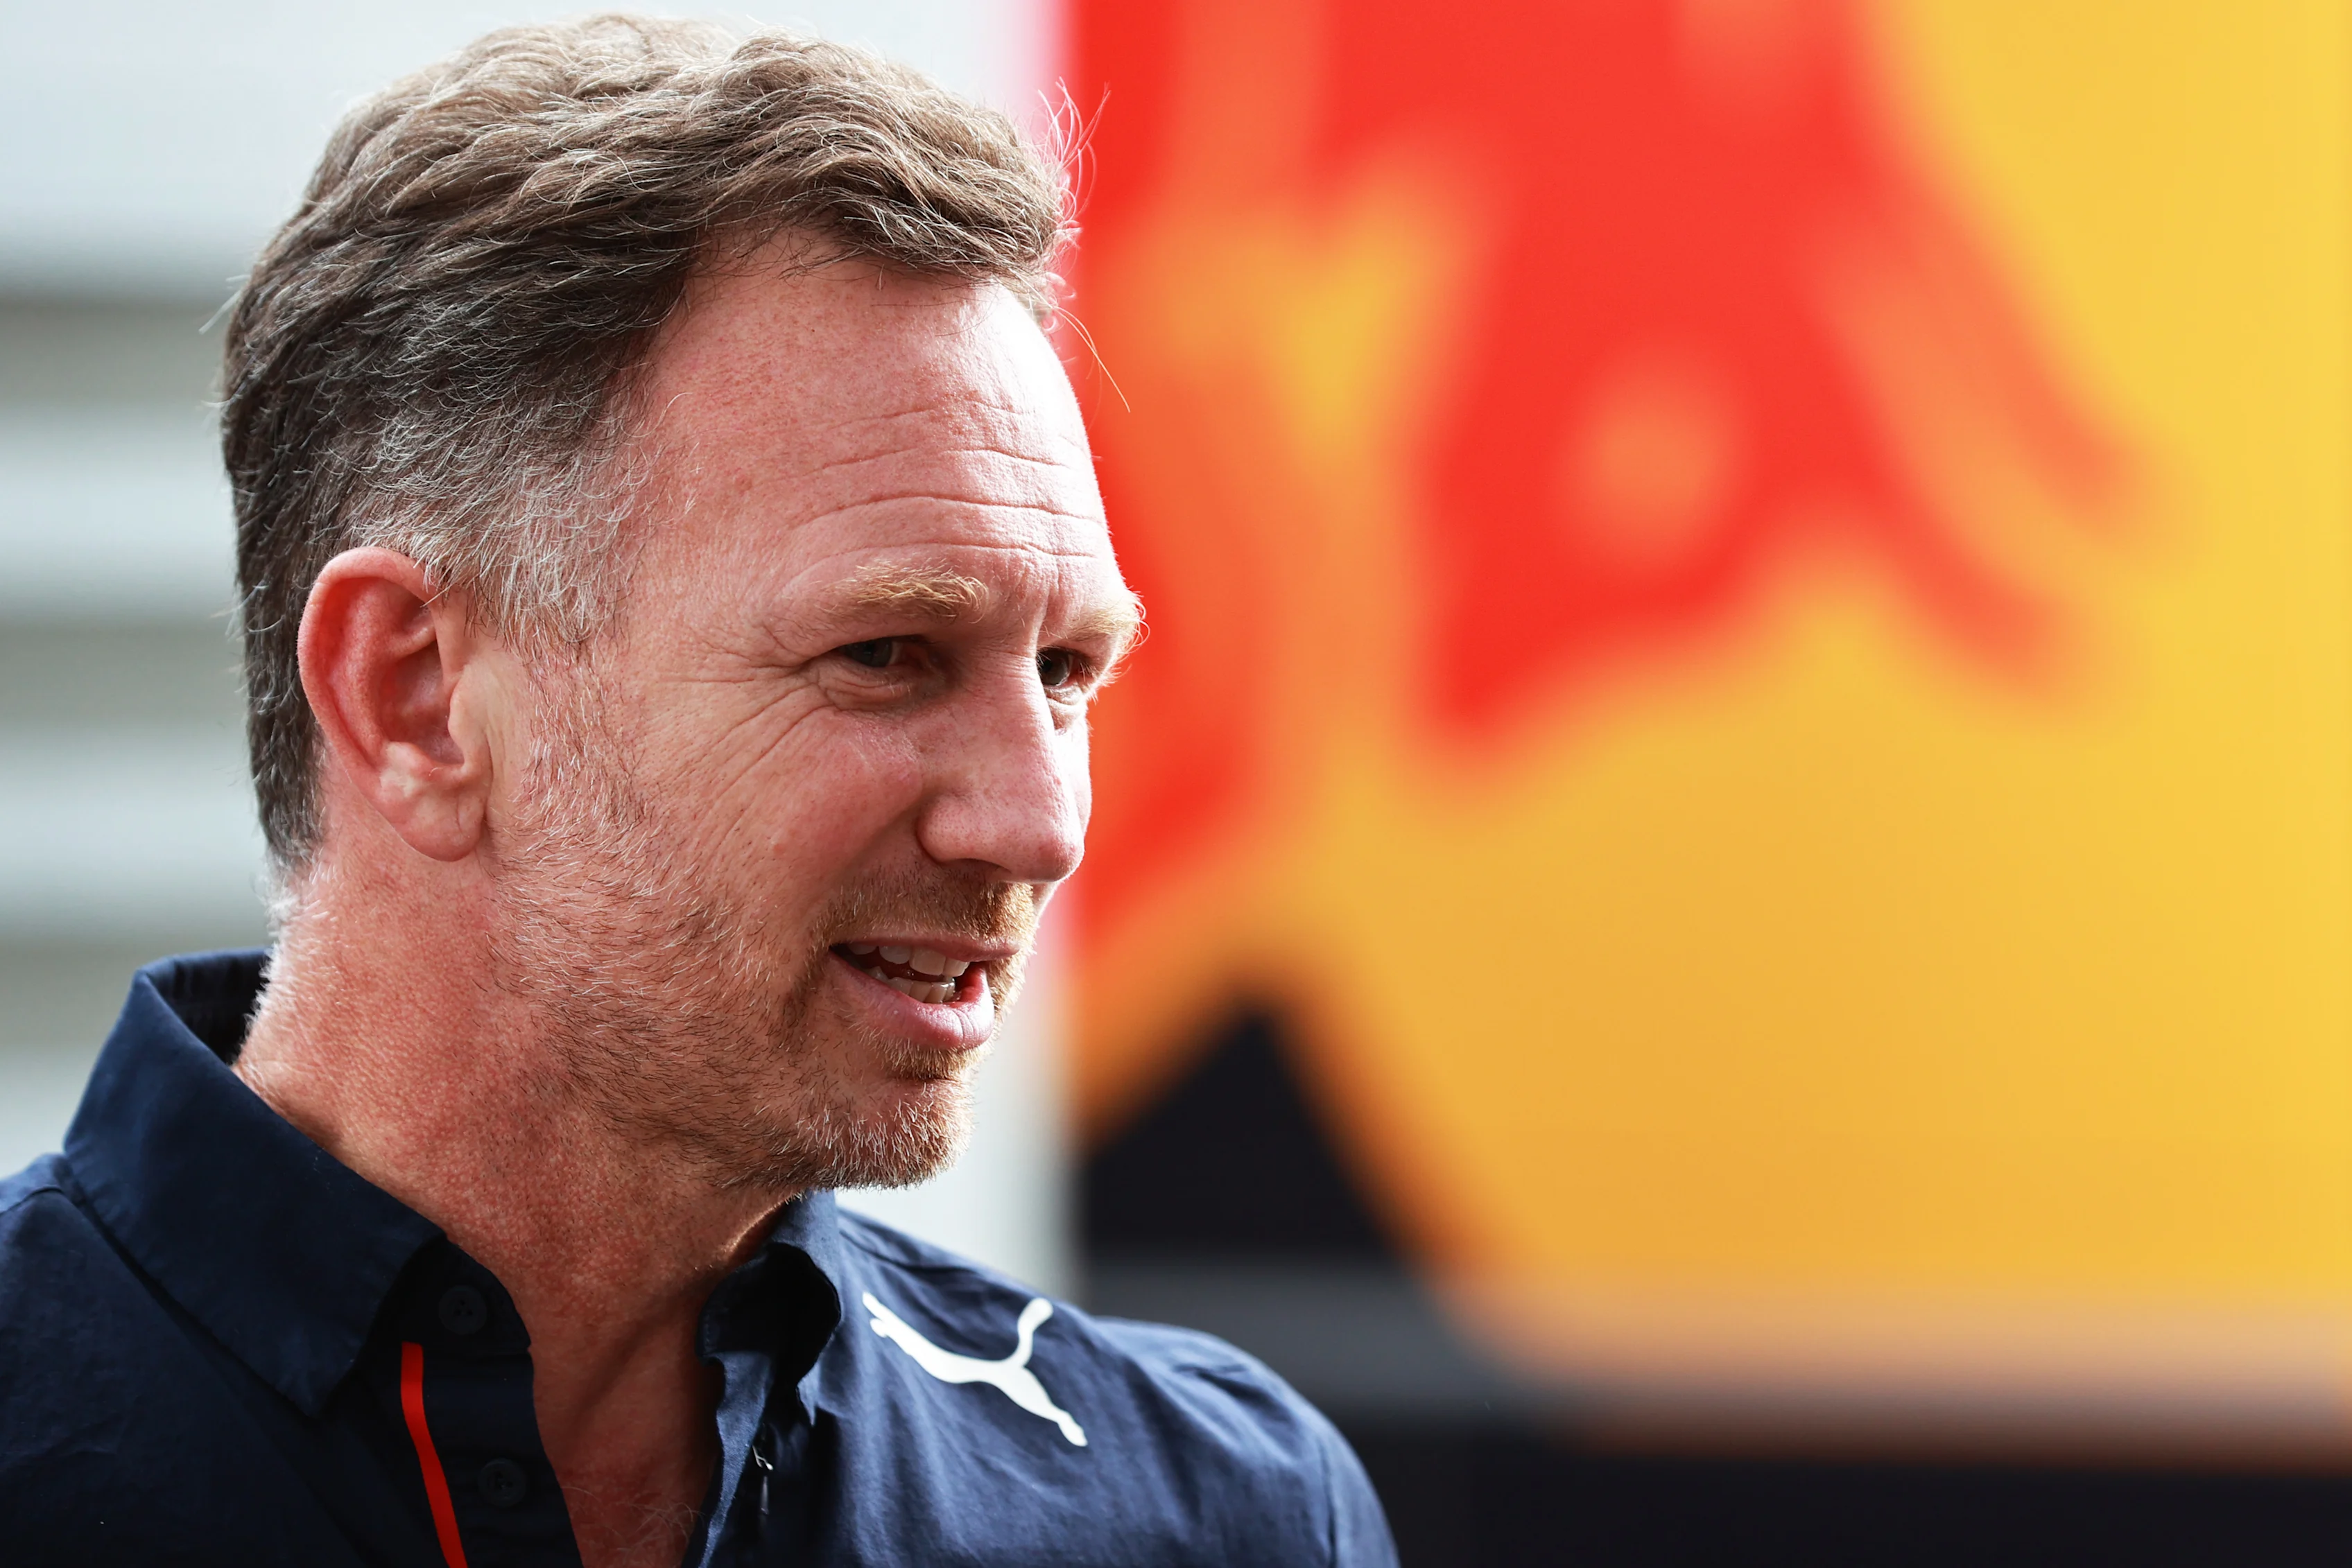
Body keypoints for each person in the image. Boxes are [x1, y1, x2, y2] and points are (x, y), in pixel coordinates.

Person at [0, 17, 1396, 1567]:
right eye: (886, 653)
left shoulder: (1216, 1515)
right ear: (413, 692)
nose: (1041, 824)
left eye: (1066, 672)